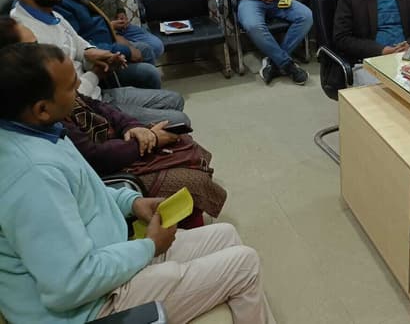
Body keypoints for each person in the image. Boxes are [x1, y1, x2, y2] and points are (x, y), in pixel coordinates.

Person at [0, 42, 275, 323]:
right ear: (42, 109)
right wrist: (149, 247)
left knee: (226, 234)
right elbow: (70, 286)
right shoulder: (31, 176)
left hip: (109, 258)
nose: (80, 87)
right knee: (245, 264)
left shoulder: (44, 131)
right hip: (91, 307)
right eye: (71, 87)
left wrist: (132, 202)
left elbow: (86, 191)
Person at [0, 16, 225, 226]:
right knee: (191, 177)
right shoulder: (46, 124)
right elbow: (96, 157)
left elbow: (98, 105)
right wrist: (149, 140)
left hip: (117, 145)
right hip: (111, 171)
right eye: (31, 46)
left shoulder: (52, 94)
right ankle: (184, 230)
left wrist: (132, 126)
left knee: (183, 141)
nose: (40, 49)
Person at [5, 0, 189, 126]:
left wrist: (96, 53)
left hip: (97, 93)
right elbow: (66, 98)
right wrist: (96, 73)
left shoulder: (50, 13)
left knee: (174, 99)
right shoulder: (25, 35)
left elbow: (79, 44)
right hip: (86, 110)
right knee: (179, 120)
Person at [29, 0, 162, 90]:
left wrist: (120, 15)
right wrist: (122, 48)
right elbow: (81, 46)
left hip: (111, 35)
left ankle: (150, 94)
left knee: (147, 48)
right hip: (99, 60)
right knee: (149, 72)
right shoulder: (54, 2)